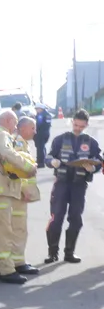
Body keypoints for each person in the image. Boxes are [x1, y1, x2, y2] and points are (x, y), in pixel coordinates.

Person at [0, 110, 38, 284]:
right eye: (14, 123)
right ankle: (7, 270)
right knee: (4, 231)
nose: (15, 128)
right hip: (1, 189)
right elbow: (6, 152)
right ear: (7, 120)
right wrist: (27, 166)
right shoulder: (2, 134)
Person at [45, 109, 103, 263]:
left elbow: (98, 159)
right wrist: (52, 162)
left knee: (76, 218)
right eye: (76, 125)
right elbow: (49, 156)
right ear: (72, 122)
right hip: (61, 184)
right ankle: (52, 253)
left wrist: (93, 167)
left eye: (81, 126)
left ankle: (69, 253)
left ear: (87, 125)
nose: (78, 128)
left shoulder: (91, 142)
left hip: (79, 185)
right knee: (56, 217)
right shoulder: (60, 140)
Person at [10, 116, 41, 275]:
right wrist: (25, 190)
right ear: (22, 128)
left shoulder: (19, 141)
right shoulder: (19, 143)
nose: (35, 132)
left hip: (16, 193)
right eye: (33, 128)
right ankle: (18, 262)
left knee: (17, 227)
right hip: (18, 194)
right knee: (19, 228)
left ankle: (15, 260)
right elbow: (19, 167)